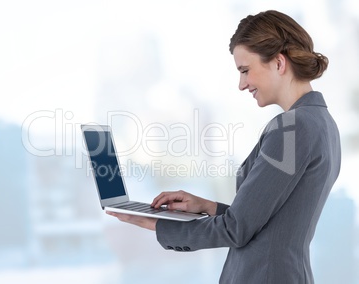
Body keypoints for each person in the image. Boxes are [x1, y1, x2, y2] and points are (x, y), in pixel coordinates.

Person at [107, 10, 341, 283]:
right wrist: (206, 205)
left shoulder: (292, 128)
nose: (242, 84)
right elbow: (270, 221)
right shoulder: (321, 121)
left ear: (279, 63)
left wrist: (158, 226)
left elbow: (236, 230)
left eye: (245, 71)